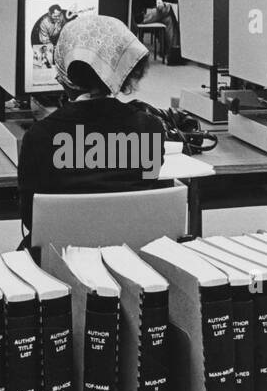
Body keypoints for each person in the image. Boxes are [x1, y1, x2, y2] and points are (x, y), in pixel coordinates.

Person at [17, 15, 168, 239]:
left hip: (57, 262)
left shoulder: (39, 136)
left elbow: (31, 219)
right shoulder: (150, 129)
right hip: (129, 257)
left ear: (64, 73)